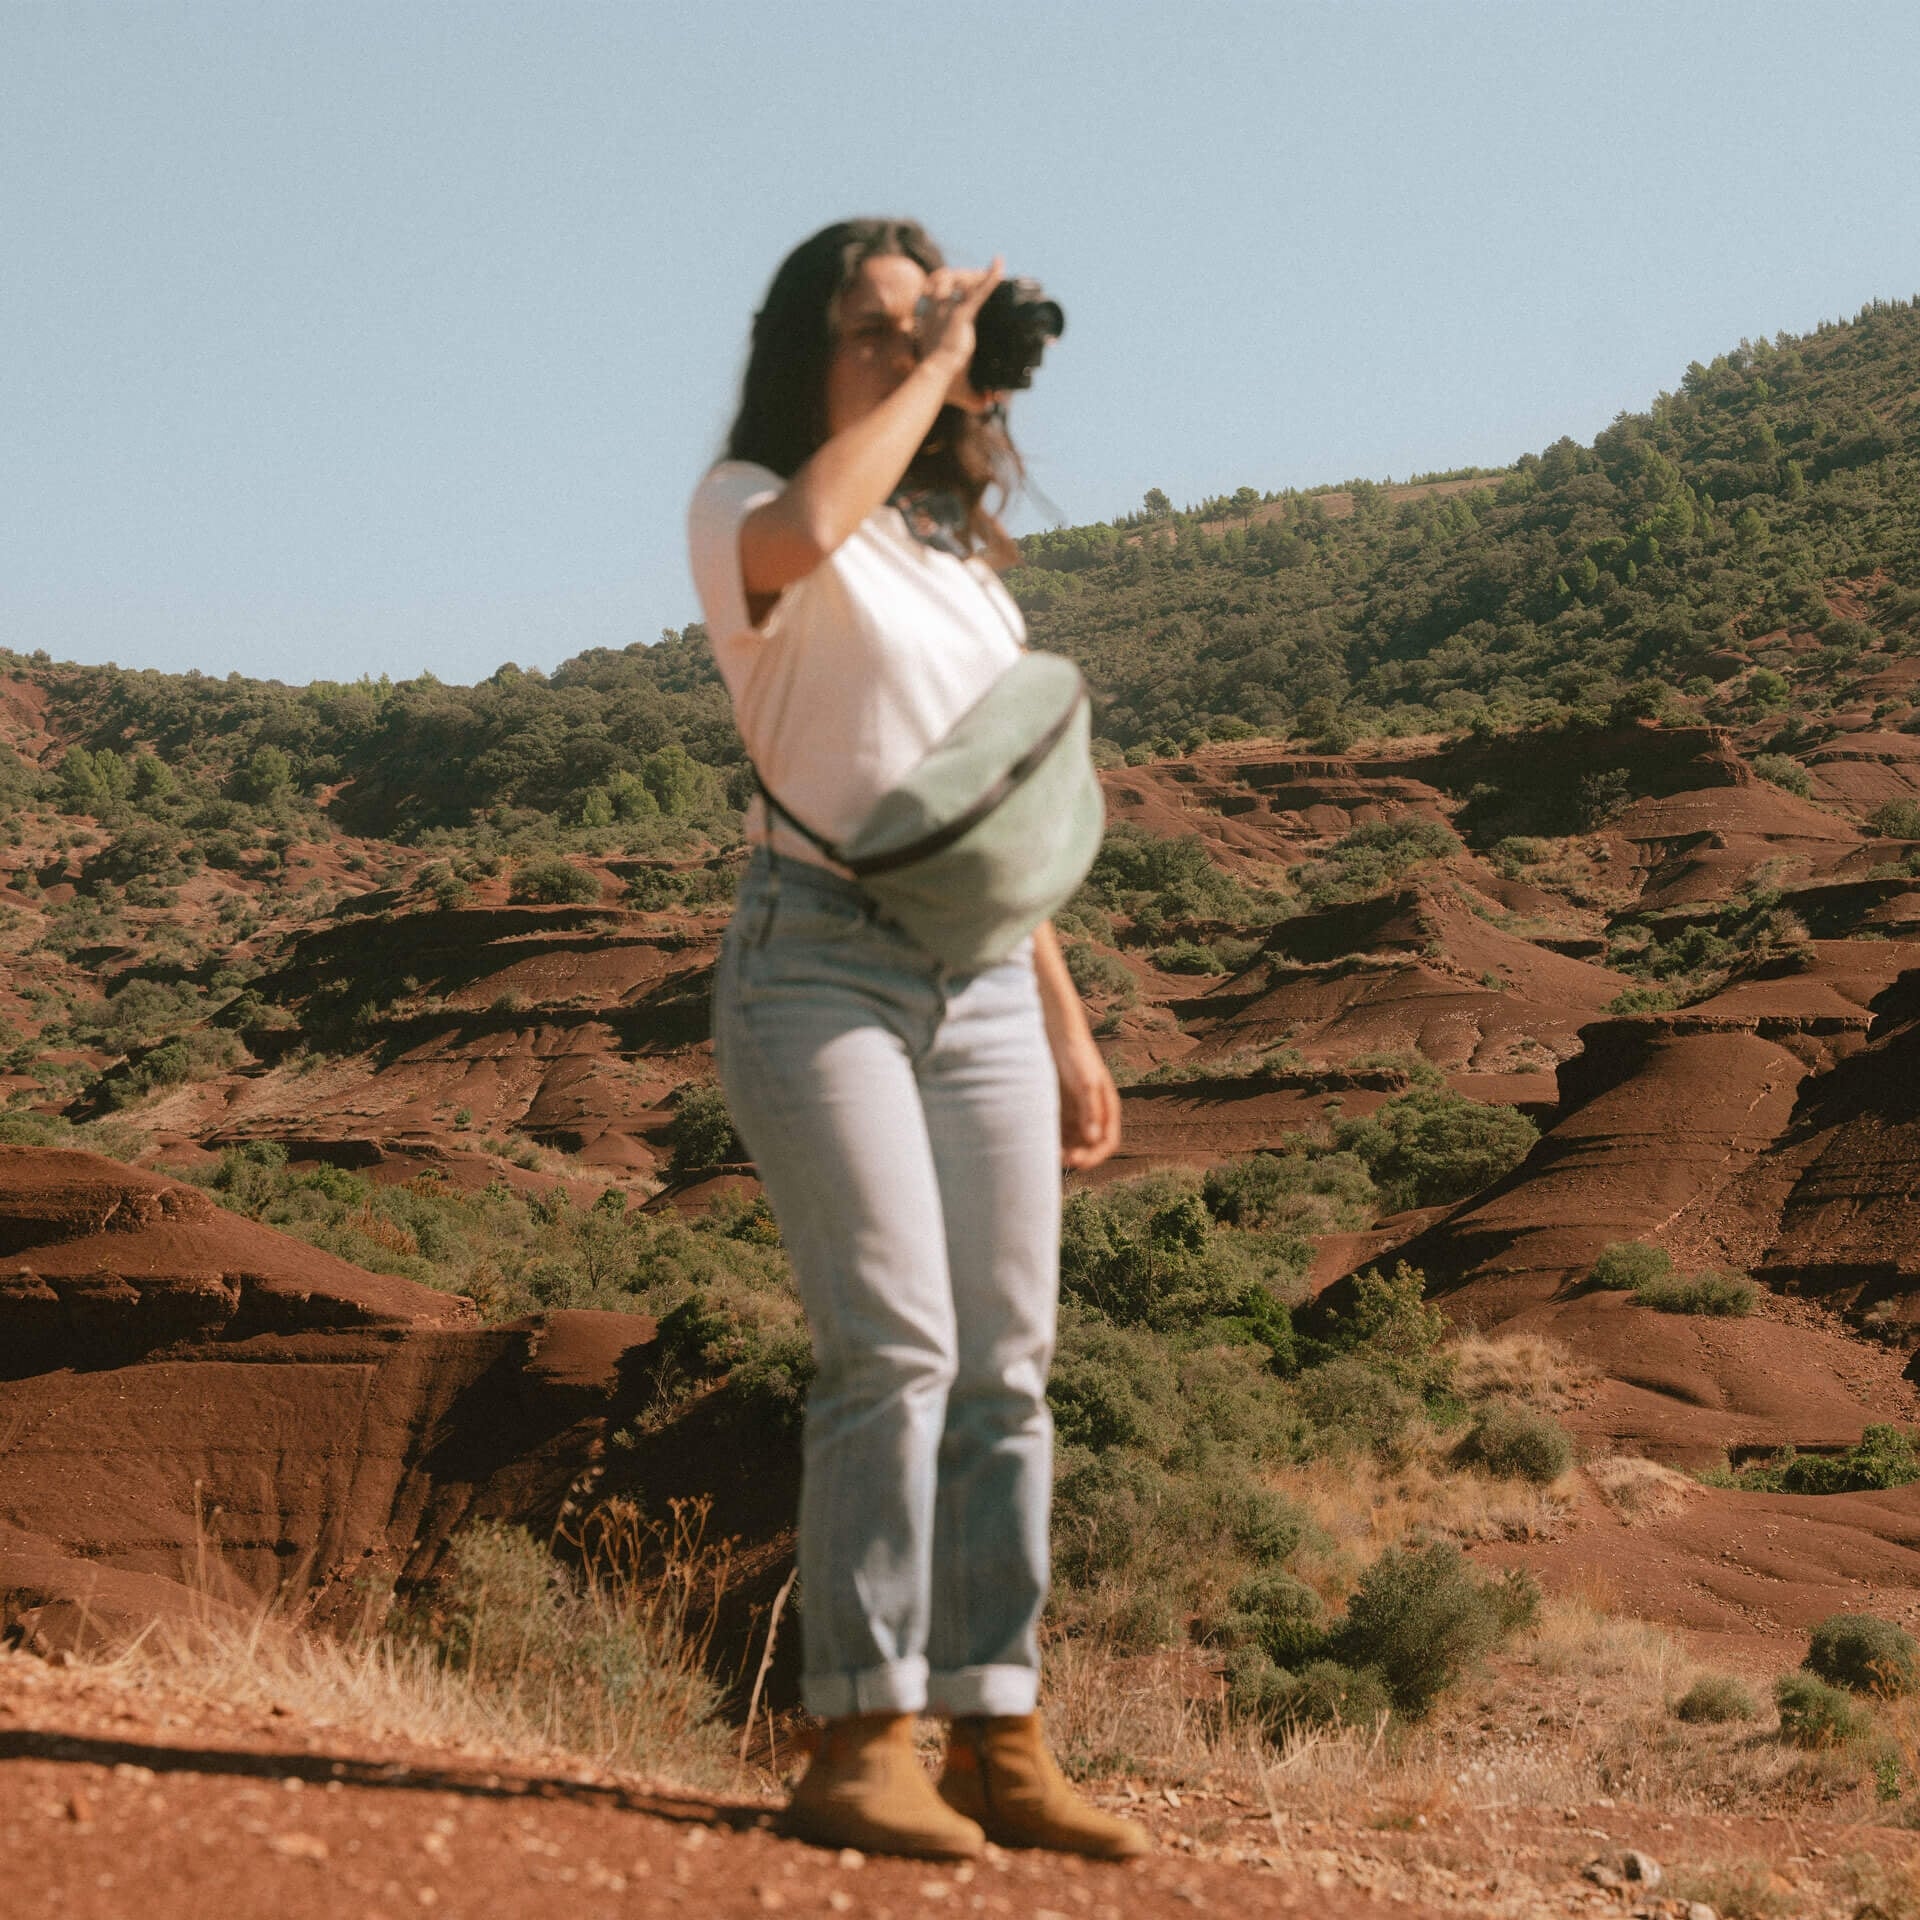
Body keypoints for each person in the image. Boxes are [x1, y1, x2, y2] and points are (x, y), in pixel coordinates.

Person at [686, 218, 1147, 1864]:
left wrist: (1070, 1029)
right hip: (814, 972)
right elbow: (815, 519)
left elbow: (993, 828)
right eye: (870, 328)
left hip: (984, 980)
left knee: (1008, 1369)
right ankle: (858, 1737)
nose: (903, 350)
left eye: (921, 328)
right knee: (898, 1347)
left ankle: (999, 1732)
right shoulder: (750, 506)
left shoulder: (959, 566)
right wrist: (949, 356)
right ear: (801, 350)